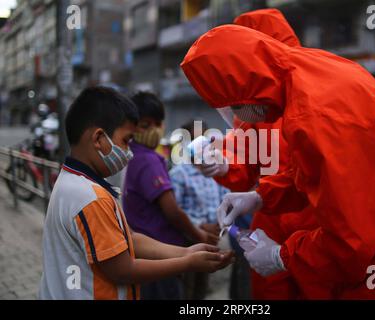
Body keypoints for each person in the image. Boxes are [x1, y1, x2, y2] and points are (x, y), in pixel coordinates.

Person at [180, 25, 375, 299]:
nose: (243, 117)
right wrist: (262, 196)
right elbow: (315, 173)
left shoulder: (318, 114)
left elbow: (352, 240)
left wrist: (281, 256)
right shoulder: (303, 76)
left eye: (236, 106)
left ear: (250, 83)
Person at [39, 86, 233, 300]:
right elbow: (123, 270)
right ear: (98, 139)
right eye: (125, 140)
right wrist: (187, 262)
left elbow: (129, 238)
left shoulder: (75, 181)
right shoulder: (89, 198)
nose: (128, 151)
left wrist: (187, 252)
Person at [196, 8, 318, 300]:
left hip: (315, 217)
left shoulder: (310, 95)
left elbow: (331, 177)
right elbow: (244, 156)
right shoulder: (255, 102)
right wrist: (224, 166)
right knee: (269, 290)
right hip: (271, 214)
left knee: (317, 284)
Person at [122, 92, 220, 300]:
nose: (155, 130)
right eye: (146, 125)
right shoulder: (149, 160)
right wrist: (199, 235)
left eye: (158, 124)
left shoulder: (134, 155)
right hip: (161, 251)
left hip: (152, 250)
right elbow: (172, 210)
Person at [169, 120, 229, 299]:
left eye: (204, 138)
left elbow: (225, 199)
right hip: (187, 242)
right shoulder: (179, 174)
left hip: (212, 240)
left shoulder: (215, 171)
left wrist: (219, 224)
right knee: (186, 287)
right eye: (194, 139)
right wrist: (200, 227)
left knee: (202, 288)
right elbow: (175, 209)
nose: (201, 143)